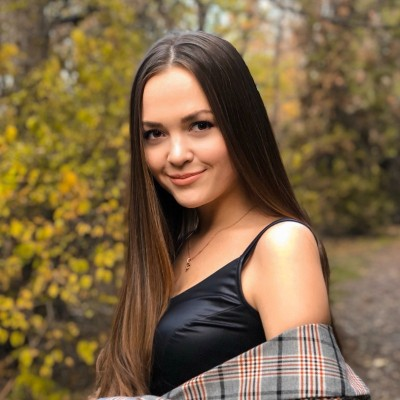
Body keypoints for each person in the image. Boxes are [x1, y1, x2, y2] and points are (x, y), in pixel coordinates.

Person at [94, 31, 346, 398]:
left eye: (200, 125)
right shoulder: (171, 249)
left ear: (242, 125)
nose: (176, 154)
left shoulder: (281, 246)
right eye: (155, 134)